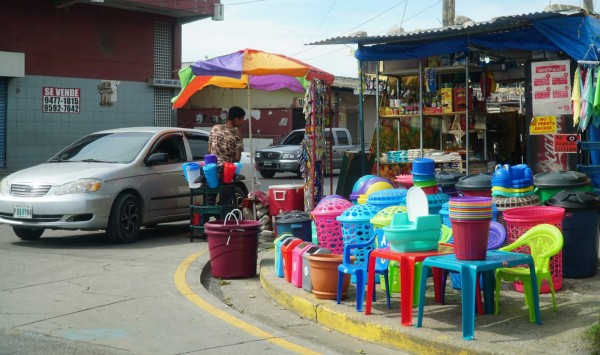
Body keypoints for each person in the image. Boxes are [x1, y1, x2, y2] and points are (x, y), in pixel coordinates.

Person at [204, 106, 245, 207]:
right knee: (226, 201)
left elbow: (209, 150)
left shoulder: (215, 128)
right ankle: (223, 220)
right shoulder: (237, 134)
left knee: (210, 199)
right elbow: (237, 158)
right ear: (236, 119)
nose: (242, 122)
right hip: (227, 170)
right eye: (242, 119)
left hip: (211, 168)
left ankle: (204, 221)